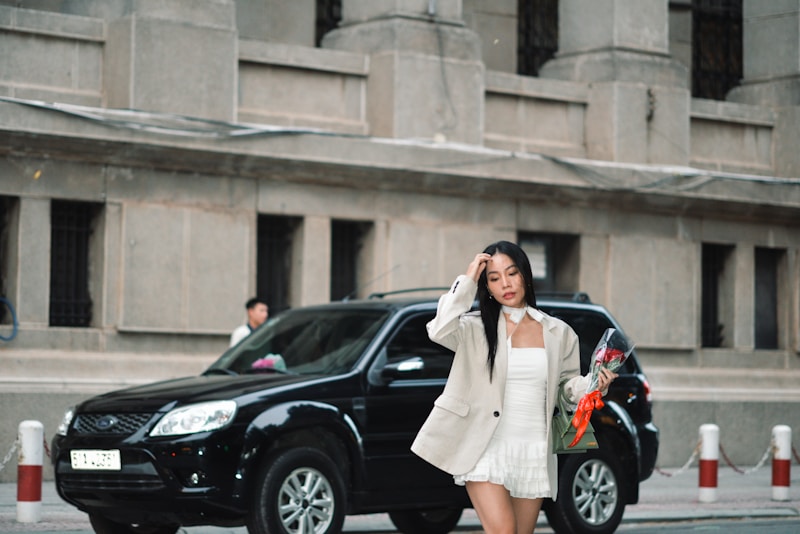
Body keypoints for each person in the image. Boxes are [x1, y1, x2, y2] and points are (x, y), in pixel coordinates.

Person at [411, 241, 617, 534]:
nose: (505, 284)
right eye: (494, 278)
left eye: (512, 273)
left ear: (525, 275)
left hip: (534, 446)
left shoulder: (559, 332)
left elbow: (565, 390)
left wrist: (594, 384)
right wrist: (468, 279)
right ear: (488, 287)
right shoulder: (474, 329)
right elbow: (439, 327)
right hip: (485, 445)